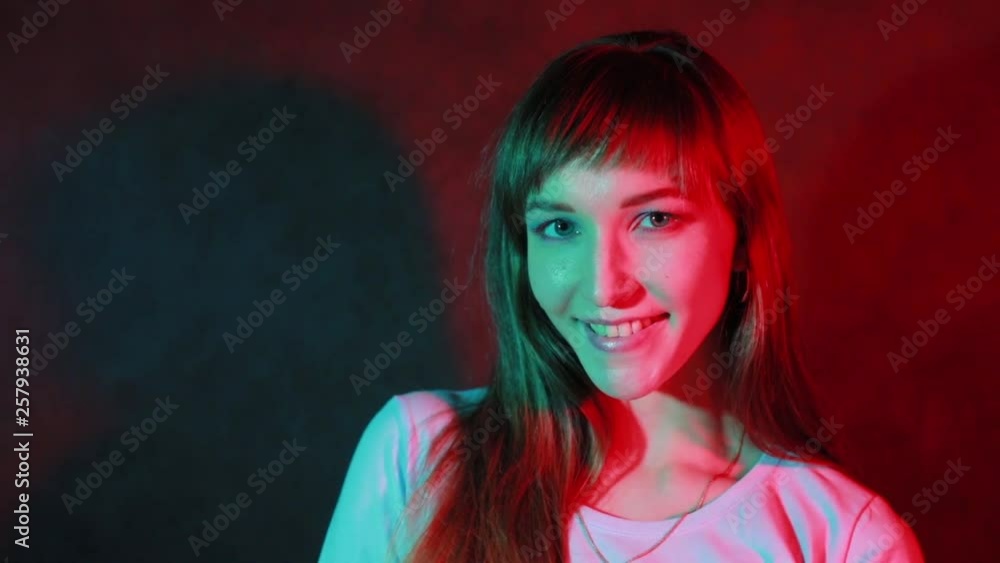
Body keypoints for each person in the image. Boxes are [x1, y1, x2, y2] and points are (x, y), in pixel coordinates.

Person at [318, 30, 925, 562]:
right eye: (561, 226)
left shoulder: (843, 540)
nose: (605, 285)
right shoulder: (419, 456)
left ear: (742, 236)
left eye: (655, 219)